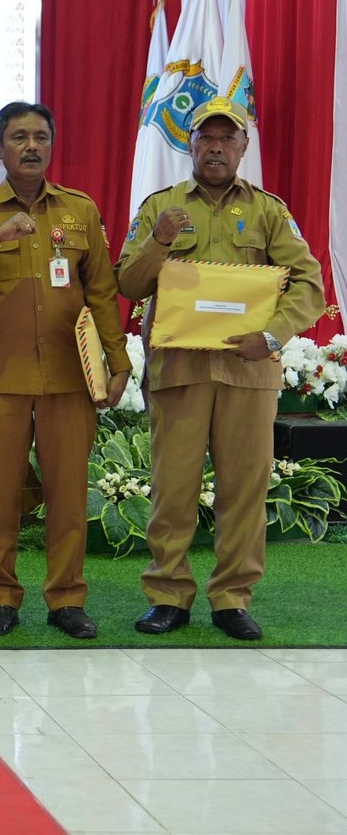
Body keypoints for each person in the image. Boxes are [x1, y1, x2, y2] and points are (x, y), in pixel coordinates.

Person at [116, 95, 323, 641]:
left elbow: (309, 283)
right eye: (205, 138)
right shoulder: (160, 207)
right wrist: (160, 240)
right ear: (190, 144)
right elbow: (127, 284)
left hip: (248, 371)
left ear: (242, 147)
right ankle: (169, 596)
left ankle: (232, 598)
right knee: (173, 489)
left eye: (226, 138)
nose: (215, 147)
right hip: (180, 368)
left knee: (244, 489)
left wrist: (273, 334)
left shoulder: (268, 211)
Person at [0, 102, 130, 638]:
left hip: (71, 376)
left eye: (41, 136)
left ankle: (66, 599)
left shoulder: (78, 210)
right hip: (1, 376)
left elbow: (104, 293)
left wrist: (119, 361)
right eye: (19, 137)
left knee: (68, 492)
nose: (31, 146)